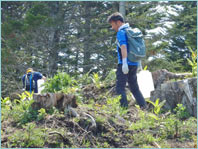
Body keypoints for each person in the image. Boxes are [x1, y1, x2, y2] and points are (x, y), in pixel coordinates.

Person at [107, 12, 146, 109]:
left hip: (124, 65)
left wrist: (124, 63)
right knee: (134, 88)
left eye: (112, 24)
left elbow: (123, 47)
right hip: (134, 64)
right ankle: (144, 107)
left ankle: (124, 109)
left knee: (120, 87)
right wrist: (139, 62)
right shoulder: (132, 31)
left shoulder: (121, 32)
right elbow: (137, 48)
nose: (112, 28)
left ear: (118, 22)